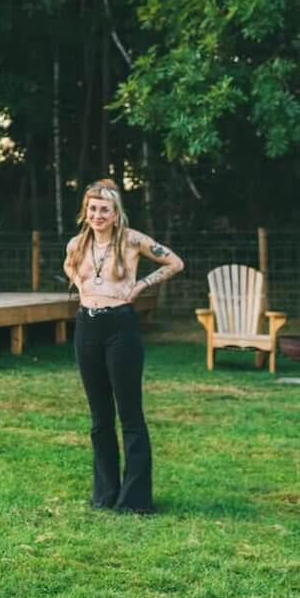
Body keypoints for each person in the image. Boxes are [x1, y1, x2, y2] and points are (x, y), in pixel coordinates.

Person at [63, 179, 183, 513]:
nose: (97, 215)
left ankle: (134, 499)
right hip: (87, 326)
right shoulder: (77, 244)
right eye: (92, 209)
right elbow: (69, 268)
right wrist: (83, 287)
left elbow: (174, 262)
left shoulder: (132, 241)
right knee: (99, 417)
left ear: (116, 214)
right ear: (85, 212)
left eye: (104, 210)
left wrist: (142, 284)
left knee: (130, 414)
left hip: (121, 328)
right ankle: (104, 494)